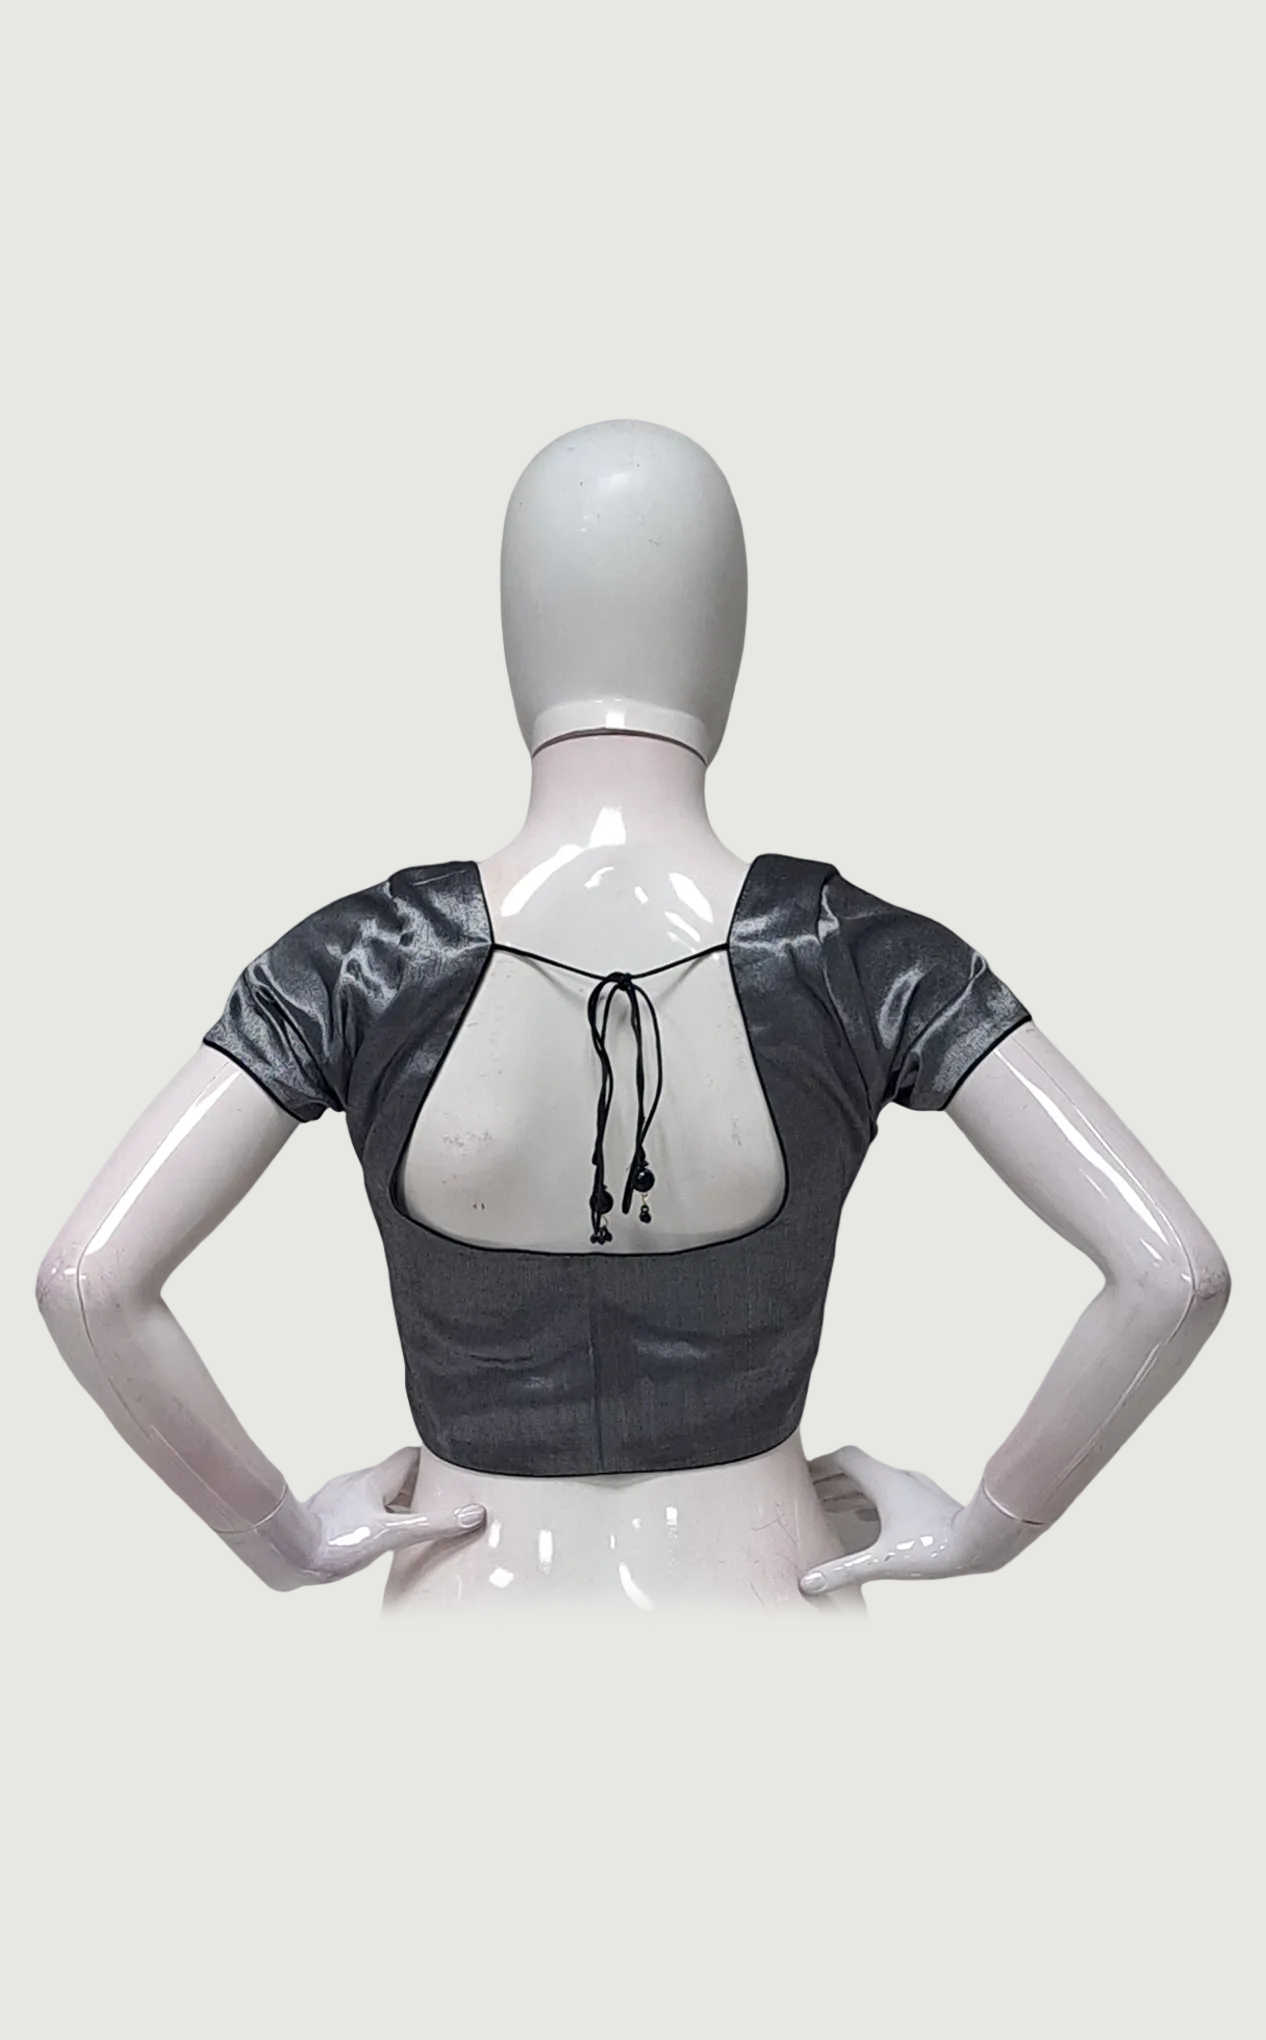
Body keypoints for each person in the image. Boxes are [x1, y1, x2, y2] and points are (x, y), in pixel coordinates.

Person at [35, 420, 1231, 1614]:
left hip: (467, 1620)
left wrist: (280, 1538)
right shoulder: (856, 955)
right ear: (725, 640)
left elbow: (89, 1282)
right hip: (770, 1611)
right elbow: (1172, 1273)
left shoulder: (362, 959)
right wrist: (990, 1526)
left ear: (518, 638)